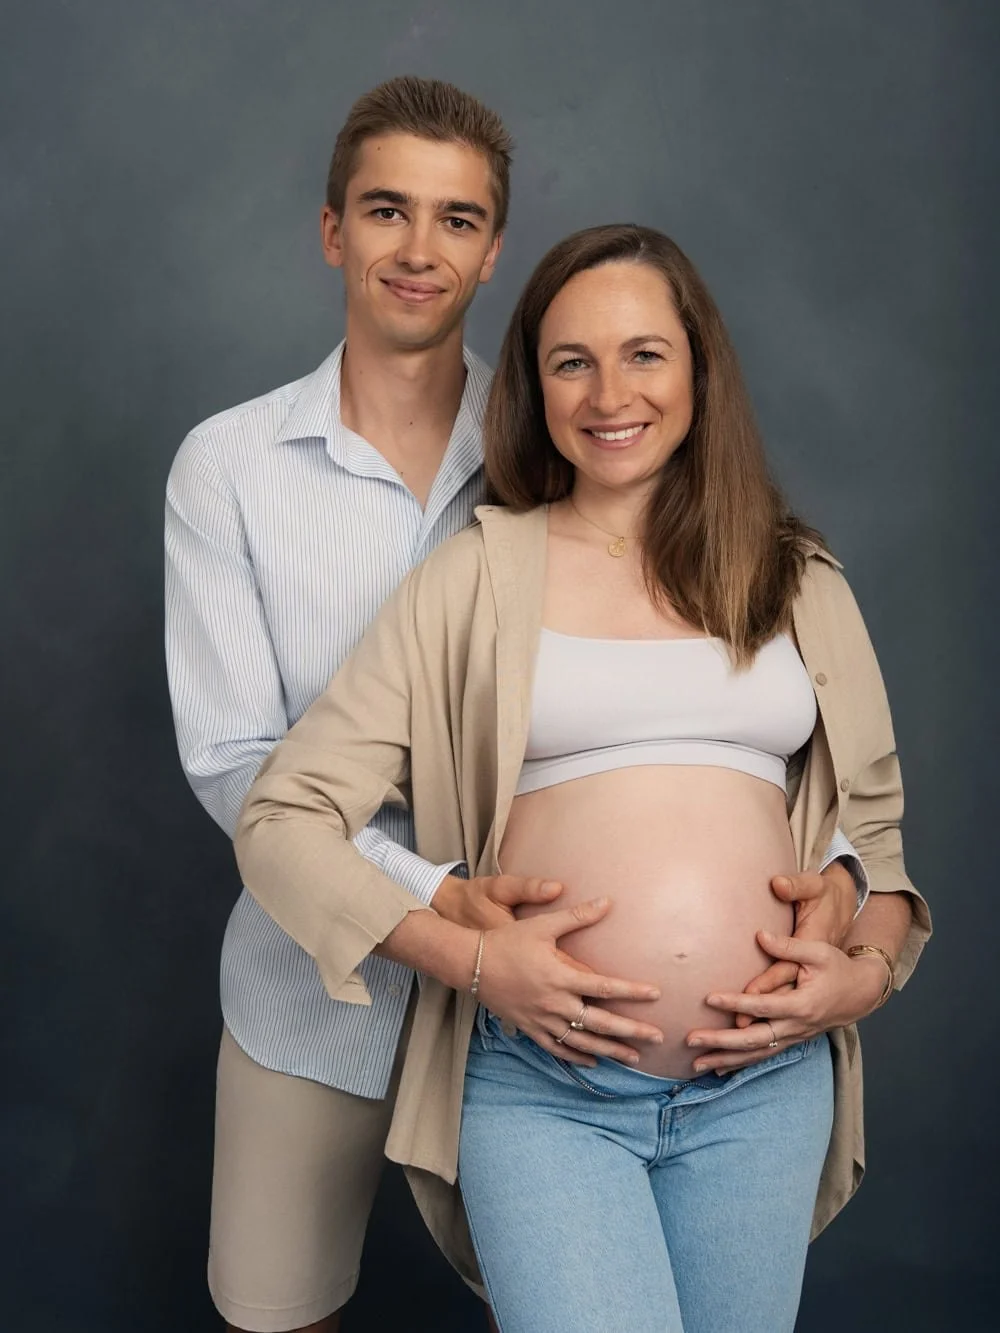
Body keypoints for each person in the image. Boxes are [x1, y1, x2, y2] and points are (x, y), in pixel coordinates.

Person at [166, 73, 862, 1330]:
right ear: (335, 231)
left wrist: (849, 921)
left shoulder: (552, 450)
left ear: (493, 249)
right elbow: (241, 770)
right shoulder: (234, 465)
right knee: (281, 1306)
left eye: (456, 219)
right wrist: (451, 921)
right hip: (328, 981)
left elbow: (815, 791)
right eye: (387, 211)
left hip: (599, 1030)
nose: (419, 249)